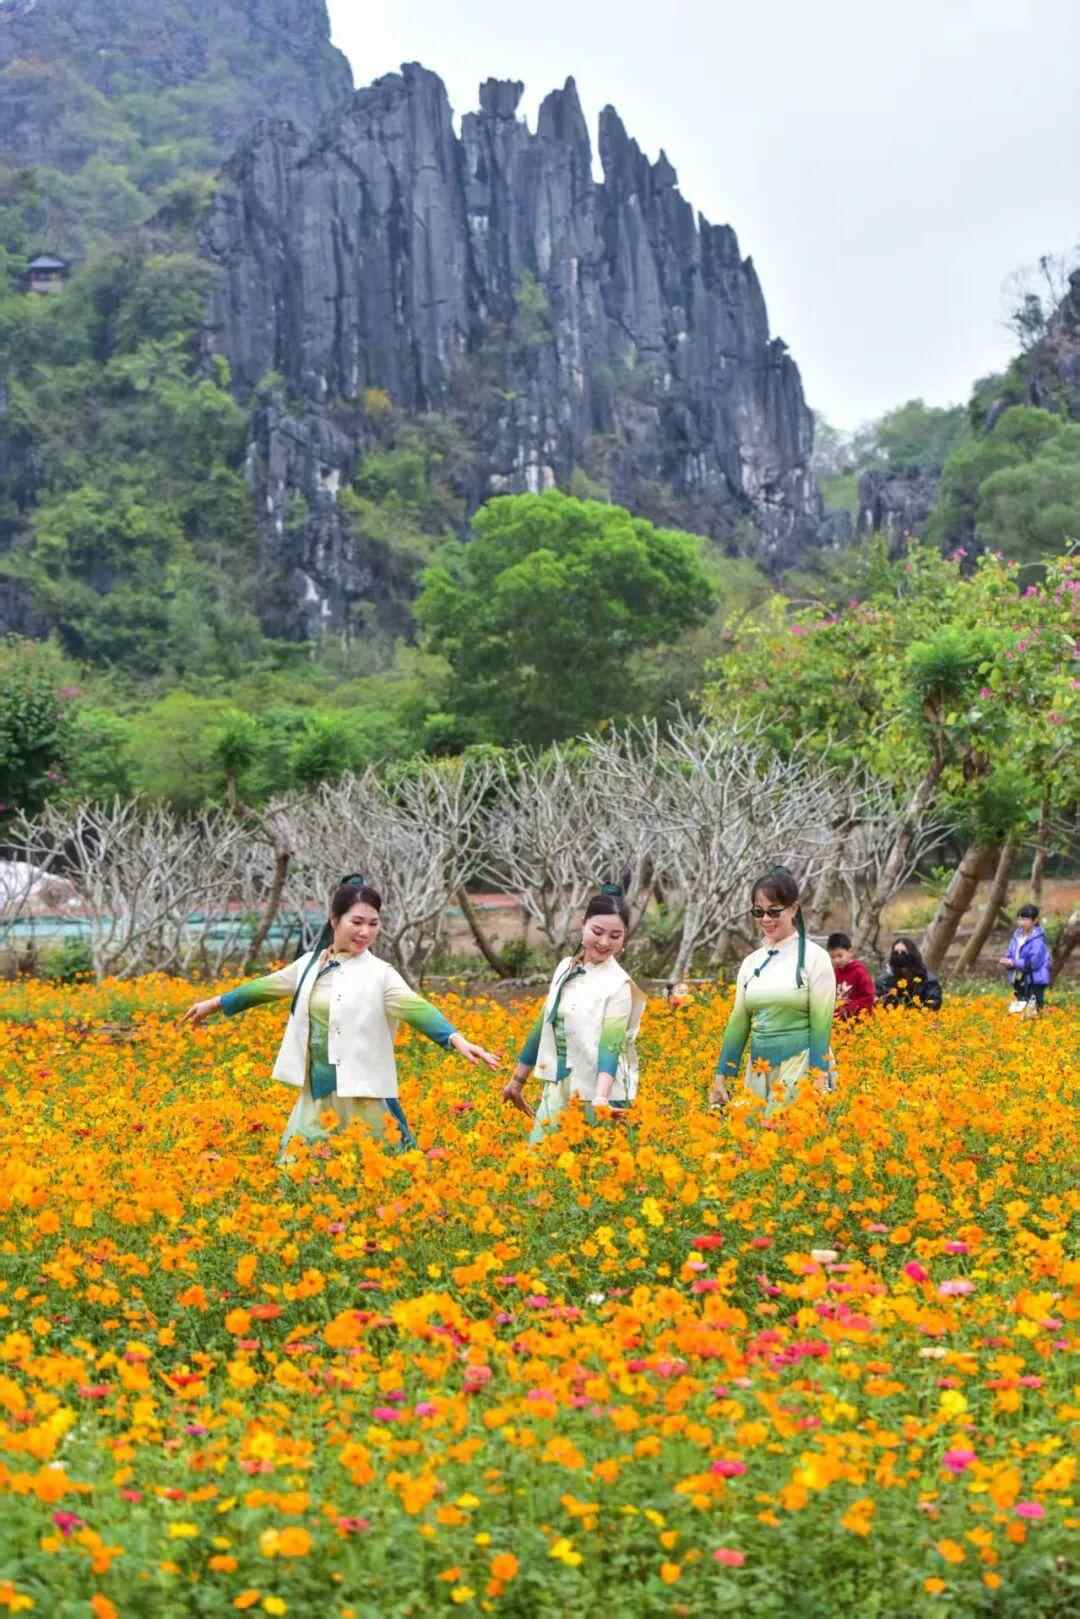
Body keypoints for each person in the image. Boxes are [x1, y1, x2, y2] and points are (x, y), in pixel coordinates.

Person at [182, 875, 499, 1160]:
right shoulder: (309, 965)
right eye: (357, 922)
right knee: (298, 1167)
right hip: (319, 1090)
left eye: (374, 924)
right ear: (335, 920)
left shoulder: (380, 974)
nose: (365, 932)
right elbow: (264, 988)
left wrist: (455, 1038)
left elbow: (417, 1008)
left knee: (386, 1165)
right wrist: (214, 1003)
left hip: (364, 1092)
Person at [501, 885, 647, 1142]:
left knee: (598, 1174)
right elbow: (544, 1023)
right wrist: (517, 1081)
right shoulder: (565, 968)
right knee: (537, 1166)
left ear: (625, 938)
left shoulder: (619, 985)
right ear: (583, 925)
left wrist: (601, 1097)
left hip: (602, 1096)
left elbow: (610, 1045)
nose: (604, 943)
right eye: (598, 932)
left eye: (615, 936)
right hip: (561, 1087)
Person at [709, 866, 836, 1112]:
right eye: (759, 912)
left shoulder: (815, 958)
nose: (766, 919)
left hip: (801, 1063)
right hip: (759, 1068)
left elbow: (821, 1025)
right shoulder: (751, 962)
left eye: (774, 911)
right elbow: (739, 1021)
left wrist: (819, 1081)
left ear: (793, 909)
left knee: (784, 1135)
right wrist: (722, 1076)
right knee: (753, 1141)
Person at [1000, 903, 1052, 1012]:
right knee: (1021, 1004)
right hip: (1019, 976)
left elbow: (1033, 963)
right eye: (1019, 919)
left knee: (1034, 1008)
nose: (1021, 922)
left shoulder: (1038, 940)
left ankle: (1038, 1026)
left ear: (1035, 920)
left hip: (1034, 979)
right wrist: (1006, 960)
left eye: (1024, 919)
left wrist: (1013, 962)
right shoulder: (1017, 936)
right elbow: (1010, 952)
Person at [875, 937, 942, 1011]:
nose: (899, 955)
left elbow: (935, 1003)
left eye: (903, 952)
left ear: (912, 954)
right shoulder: (885, 979)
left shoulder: (928, 979)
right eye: (896, 953)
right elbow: (877, 1000)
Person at [826, 931, 876, 1021]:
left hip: (859, 1020)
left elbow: (868, 997)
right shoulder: (835, 972)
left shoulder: (859, 972)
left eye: (840, 956)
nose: (836, 960)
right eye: (833, 957)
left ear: (850, 952)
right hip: (841, 1021)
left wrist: (849, 1008)